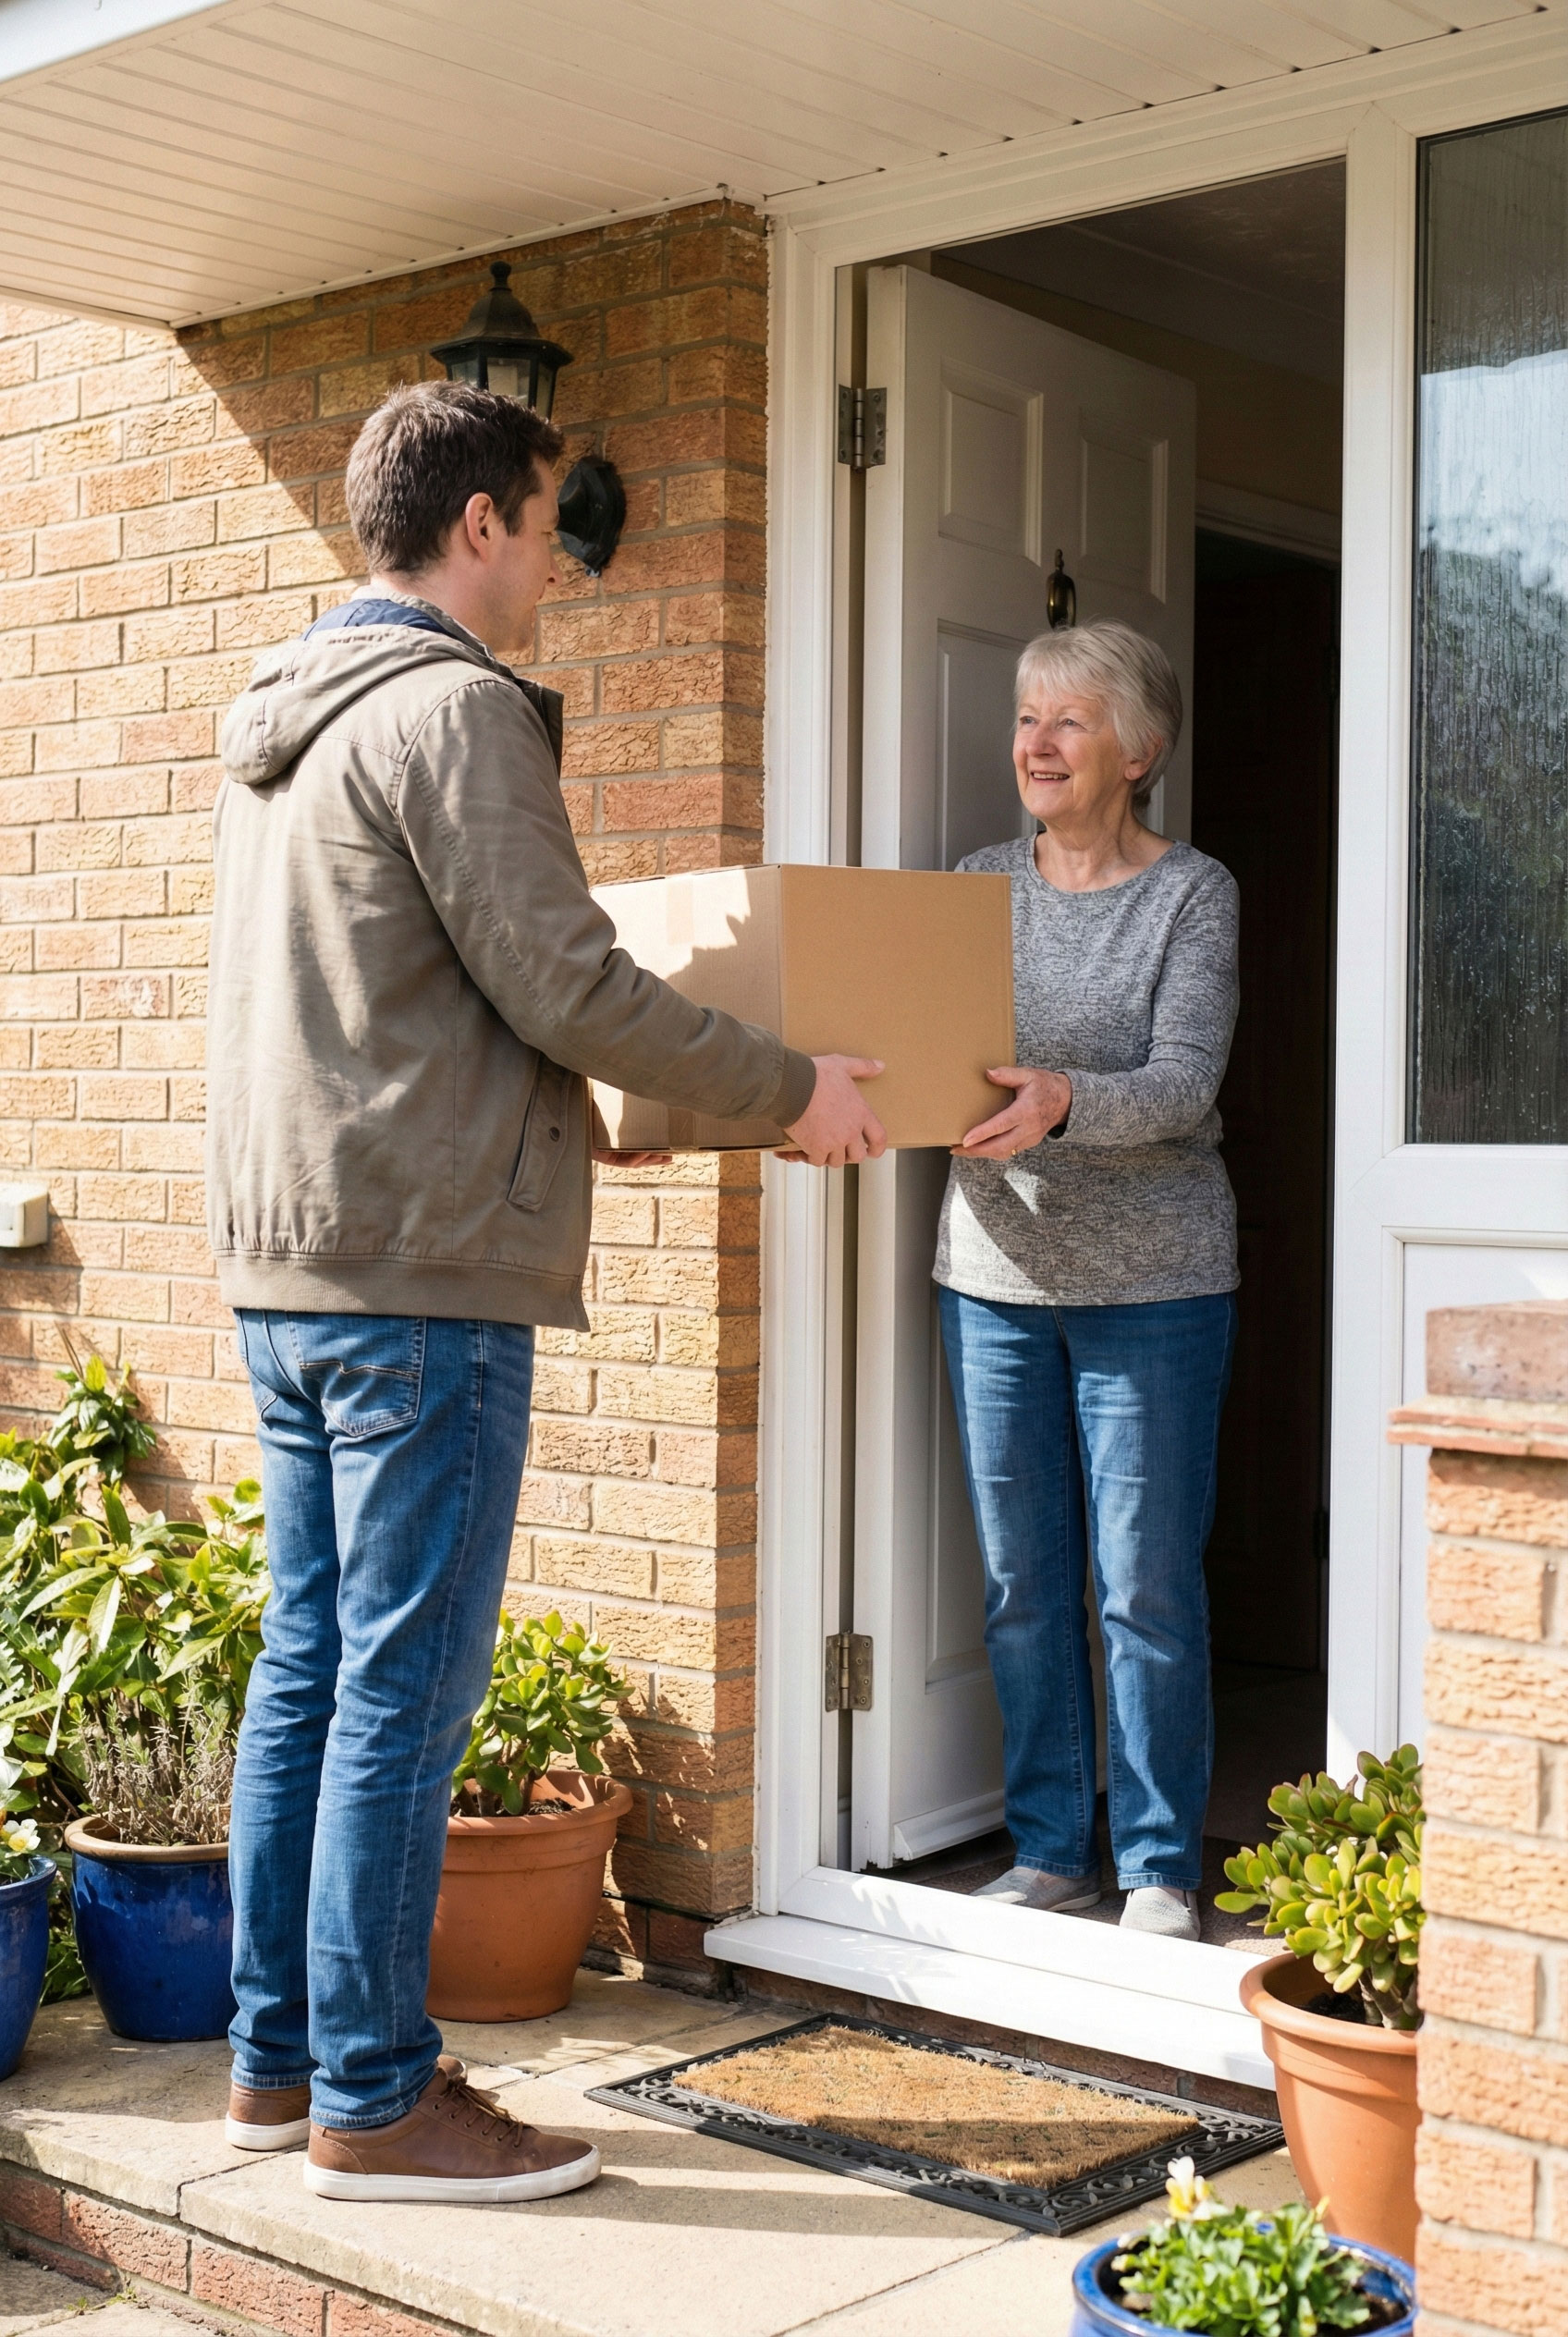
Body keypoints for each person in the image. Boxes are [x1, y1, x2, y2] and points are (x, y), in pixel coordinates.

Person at [205, 381, 885, 2204]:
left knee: (312, 1670)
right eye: (541, 528)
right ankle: (378, 2096)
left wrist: (594, 1119)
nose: (553, 582)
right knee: (400, 1691)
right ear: (483, 523)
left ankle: (279, 2069)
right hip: (423, 1281)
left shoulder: (292, 717)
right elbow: (562, 980)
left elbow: (421, 997)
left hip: (300, 1261)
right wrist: (788, 1090)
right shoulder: (452, 711)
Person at [935, 619, 1239, 1944]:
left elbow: (1184, 1085)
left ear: (1139, 750)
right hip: (992, 1276)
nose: (1036, 744)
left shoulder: (1193, 894)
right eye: (1025, 719)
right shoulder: (972, 884)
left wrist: (1060, 1100)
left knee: (1146, 1585)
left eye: (1069, 720)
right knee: (1020, 1580)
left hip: (1157, 1287)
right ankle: (1054, 1846)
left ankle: (1162, 1862)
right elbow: (917, 1041)